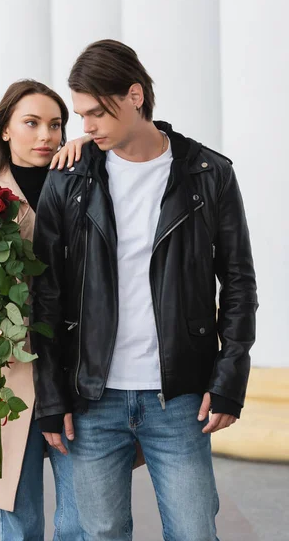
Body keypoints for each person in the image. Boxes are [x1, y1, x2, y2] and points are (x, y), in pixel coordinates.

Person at [31, 40, 258, 541]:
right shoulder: (69, 180)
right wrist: (51, 396)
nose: (85, 127)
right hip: (90, 397)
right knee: (102, 533)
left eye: (96, 112)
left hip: (178, 398)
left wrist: (229, 378)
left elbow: (238, 281)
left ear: (135, 95)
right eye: (80, 114)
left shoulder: (208, 173)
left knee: (195, 533)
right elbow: (44, 294)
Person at [0, 79, 89, 541]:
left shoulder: (81, 183)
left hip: (73, 368)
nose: (45, 136)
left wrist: (91, 144)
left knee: (82, 518)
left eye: (56, 125)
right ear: (6, 130)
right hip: (9, 371)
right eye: (31, 123)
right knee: (18, 514)